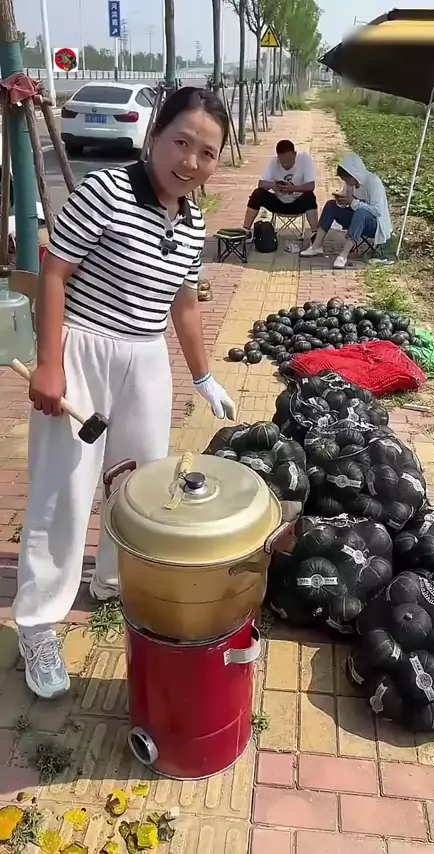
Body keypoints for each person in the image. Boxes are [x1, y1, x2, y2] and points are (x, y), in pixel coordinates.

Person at [13, 87, 236, 700]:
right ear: (155, 134)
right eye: (181, 142)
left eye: (207, 152)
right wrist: (50, 363)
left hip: (145, 356)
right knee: (64, 491)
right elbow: (55, 272)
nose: (190, 161)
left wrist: (203, 376)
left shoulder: (191, 219)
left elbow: (184, 303)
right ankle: (37, 623)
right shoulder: (105, 191)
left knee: (138, 483)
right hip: (85, 346)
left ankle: (114, 581)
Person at [301, 152, 392, 268]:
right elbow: (348, 202)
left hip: (375, 225)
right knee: (331, 205)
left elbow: (377, 211)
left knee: (361, 213)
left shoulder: (373, 182)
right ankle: (316, 246)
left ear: (354, 174)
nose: (347, 183)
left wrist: (353, 202)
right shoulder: (350, 184)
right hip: (356, 220)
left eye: (347, 179)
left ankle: (343, 255)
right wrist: (341, 202)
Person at [243, 139, 318, 236]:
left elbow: (311, 186)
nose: (286, 165)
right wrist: (273, 185)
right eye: (283, 162)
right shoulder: (274, 162)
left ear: (295, 154)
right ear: (278, 157)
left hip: (297, 202)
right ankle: (245, 230)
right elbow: (261, 184)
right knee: (257, 194)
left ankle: (315, 233)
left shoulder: (304, 159)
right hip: (278, 202)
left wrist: (292, 189)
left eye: (289, 161)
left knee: (310, 196)